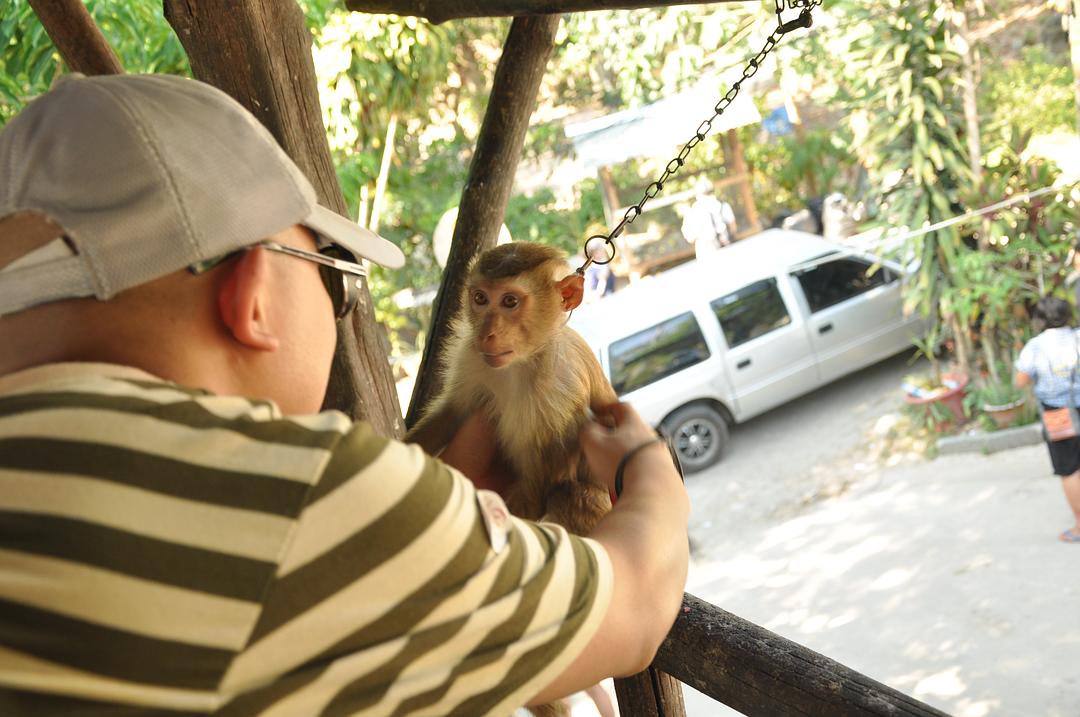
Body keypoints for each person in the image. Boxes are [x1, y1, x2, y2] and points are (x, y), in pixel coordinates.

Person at [0, 74, 689, 715]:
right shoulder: (288, 496)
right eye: (333, 273)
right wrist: (645, 462)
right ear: (253, 292)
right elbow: (637, 603)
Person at [1014, 296, 1080, 543]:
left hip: (1058, 413)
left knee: (1070, 468)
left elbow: (1021, 380)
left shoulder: (1035, 347)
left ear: (1039, 319)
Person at [680, 177, 737, 259]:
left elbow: (690, 238)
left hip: (705, 253)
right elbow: (733, 228)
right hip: (725, 247)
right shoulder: (723, 205)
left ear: (697, 194)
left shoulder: (692, 212)